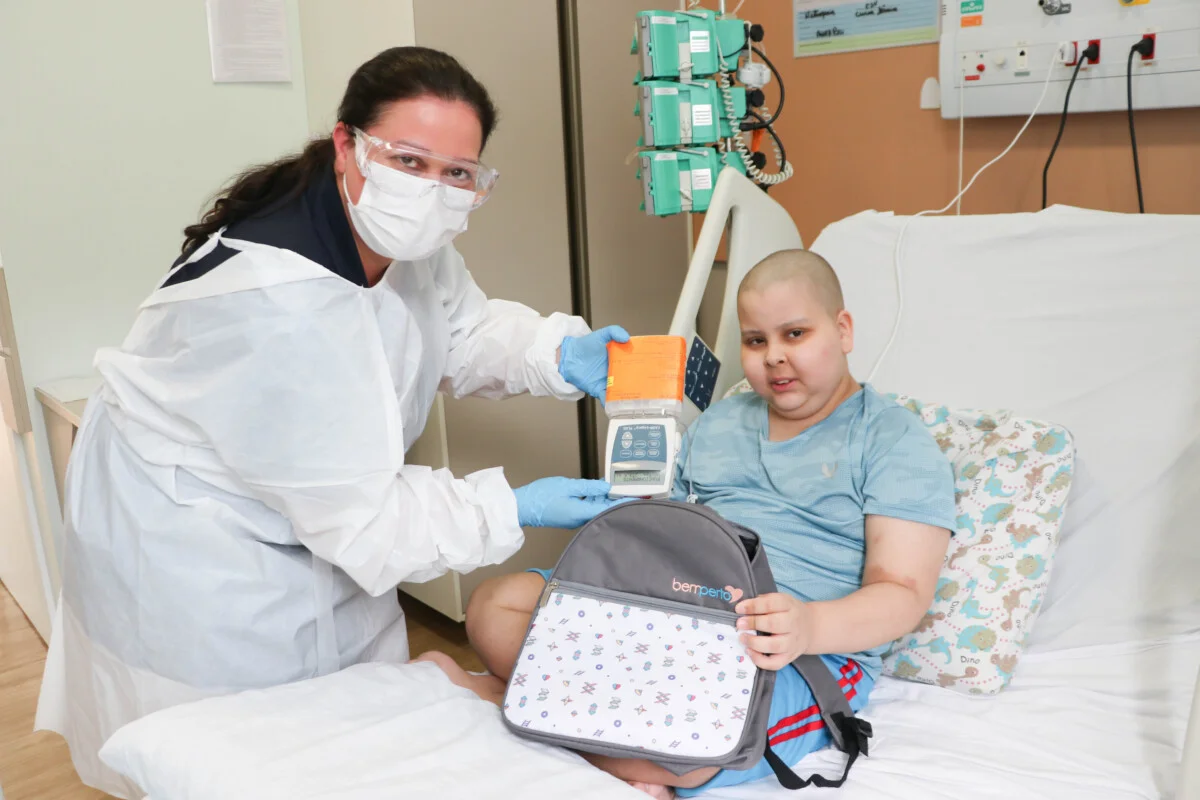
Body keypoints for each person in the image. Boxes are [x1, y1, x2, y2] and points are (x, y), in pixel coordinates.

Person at [35, 46, 629, 798]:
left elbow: (458, 330)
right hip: (202, 545)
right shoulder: (280, 305)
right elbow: (367, 519)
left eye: (459, 174)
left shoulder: (399, 238)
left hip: (313, 507)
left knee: (347, 732)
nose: (434, 190)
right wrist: (510, 506)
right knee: (242, 750)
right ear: (349, 144)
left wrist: (557, 352)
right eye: (409, 160)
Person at [419, 249, 956, 798]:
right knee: (493, 605)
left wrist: (809, 627)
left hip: (788, 647)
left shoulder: (892, 440)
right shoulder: (722, 421)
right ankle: (620, 747)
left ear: (842, 330)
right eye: (755, 340)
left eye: (795, 334)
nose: (774, 357)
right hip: (680, 614)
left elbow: (903, 593)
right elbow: (671, 535)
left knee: (695, 756)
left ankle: (522, 703)